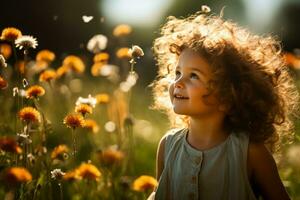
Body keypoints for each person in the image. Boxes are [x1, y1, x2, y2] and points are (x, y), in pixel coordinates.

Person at [149, 6, 300, 200]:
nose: (178, 83)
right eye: (178, 73)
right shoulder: (168, 146)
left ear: (229, 94)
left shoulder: (250, 152)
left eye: (193, 76)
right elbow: (159, 193)